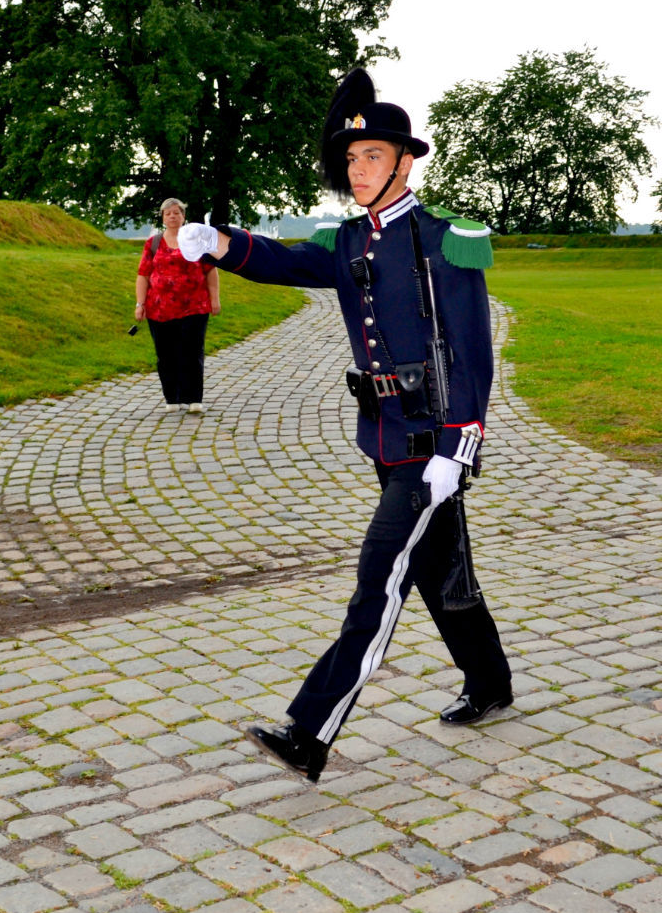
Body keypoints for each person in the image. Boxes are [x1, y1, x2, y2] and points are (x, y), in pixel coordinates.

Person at [177, 69, 511, 782]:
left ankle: (310, 730)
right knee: (439, 570)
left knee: (380, 578)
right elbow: (283, 260)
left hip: (432, 450)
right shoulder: (351, 240)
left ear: (405, 161)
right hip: (385, 440)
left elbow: (474, 355)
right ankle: (491, 682)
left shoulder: (448, 241)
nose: (358, 170)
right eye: (351, 160)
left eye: (372, 158)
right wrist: (220, 243)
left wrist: (459, 447)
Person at [136, 197, 221, 414]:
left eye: (177, 212)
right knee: (165, 355)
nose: (173, 216)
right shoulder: (153, 243)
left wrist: (215, 299)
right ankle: (172, 398)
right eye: (168, 213)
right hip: (159, 309)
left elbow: (211, 271)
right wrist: (140, 303)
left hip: (194, 306)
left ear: (184, 217)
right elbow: (143, 275)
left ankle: (193, 398)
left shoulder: (197, 241)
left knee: (192, 352)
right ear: (163, 218)